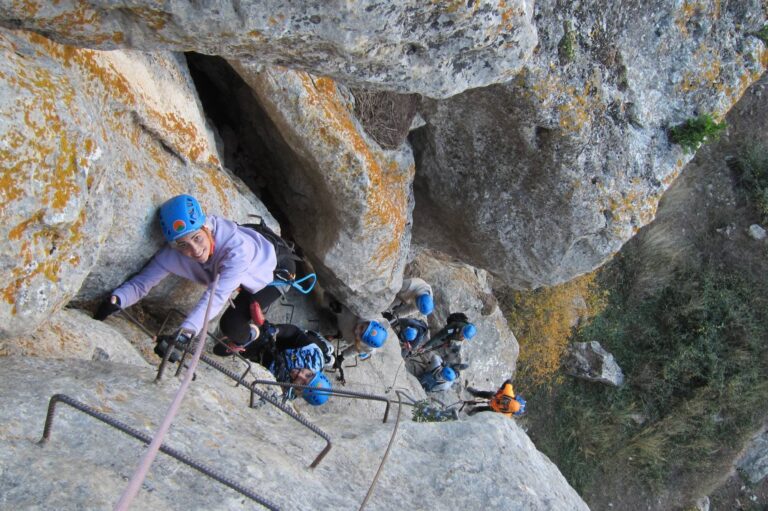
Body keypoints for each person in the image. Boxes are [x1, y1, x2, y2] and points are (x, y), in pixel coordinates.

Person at [94, 194, 296, 354]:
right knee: (233, 308)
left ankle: (252, 335)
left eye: (197, 238)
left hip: (275, 272)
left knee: (231, 324)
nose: (195, 250)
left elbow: (216, 296)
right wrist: (118, 299)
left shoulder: (237, 250)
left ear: (206, 228)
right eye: (184, 245)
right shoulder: (173, 254)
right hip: (237, 276)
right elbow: (141, 284)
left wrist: (184, 334)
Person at [244, 323, 332, 406]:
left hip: (262, 358)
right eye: (309, 375)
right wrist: (276, 330)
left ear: (299, 392)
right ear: (314, 372)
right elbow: (295, 333)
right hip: (281, 342)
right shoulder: (313, 355)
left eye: (302, 384)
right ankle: (326, 349)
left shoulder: (285, 391)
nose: (301, 375)